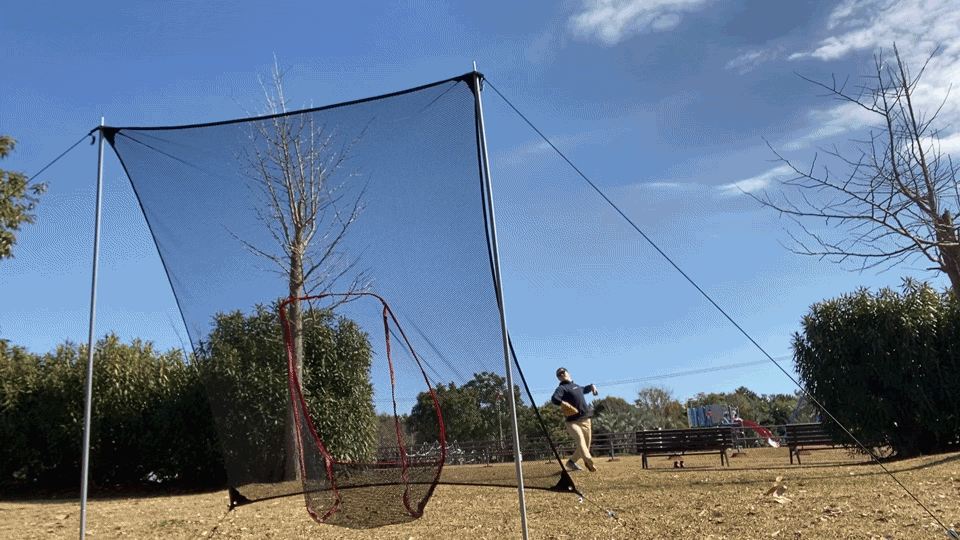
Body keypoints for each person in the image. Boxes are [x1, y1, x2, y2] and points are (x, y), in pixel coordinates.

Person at [551, 367, 599, 472]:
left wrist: (592, 387)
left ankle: (571, 462)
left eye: (562, 372)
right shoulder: (562, 388)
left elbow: (585, 389)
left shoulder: (576, 386)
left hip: (586, 420)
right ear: (558, 378)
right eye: (558, 375)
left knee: (586, 446)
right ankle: (588, 461)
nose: (561, 375)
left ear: (568, 373)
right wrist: (562, 402)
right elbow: (554, 398)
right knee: (580, 440)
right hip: (572, 422)